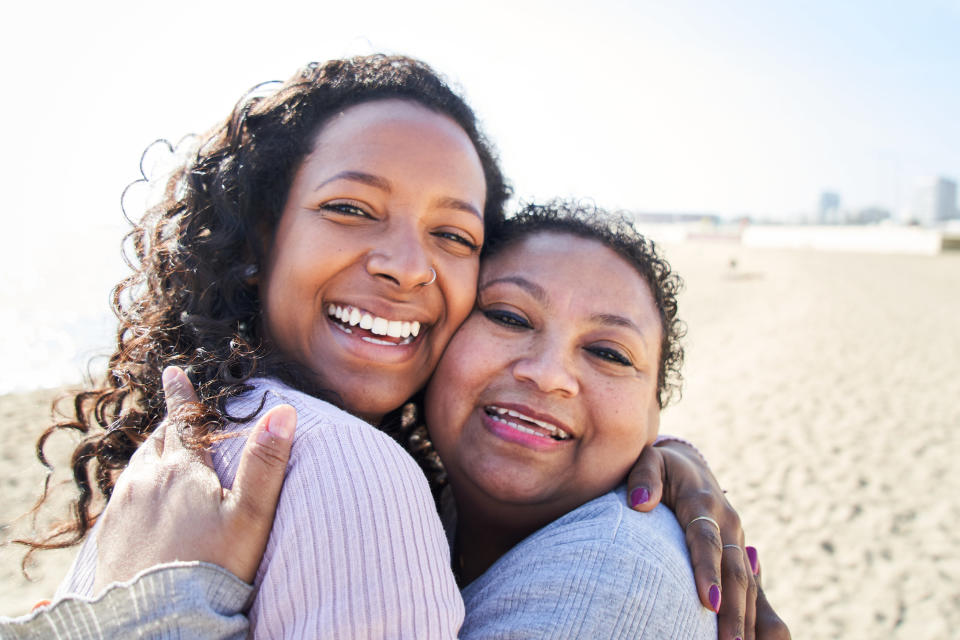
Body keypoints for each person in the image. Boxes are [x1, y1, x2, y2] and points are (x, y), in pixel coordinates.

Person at [3, 57, 782, 638]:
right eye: (349, 207)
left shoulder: (615, 557)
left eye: (451, 235)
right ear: (256, 238)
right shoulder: (341, 468)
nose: (408, 266)